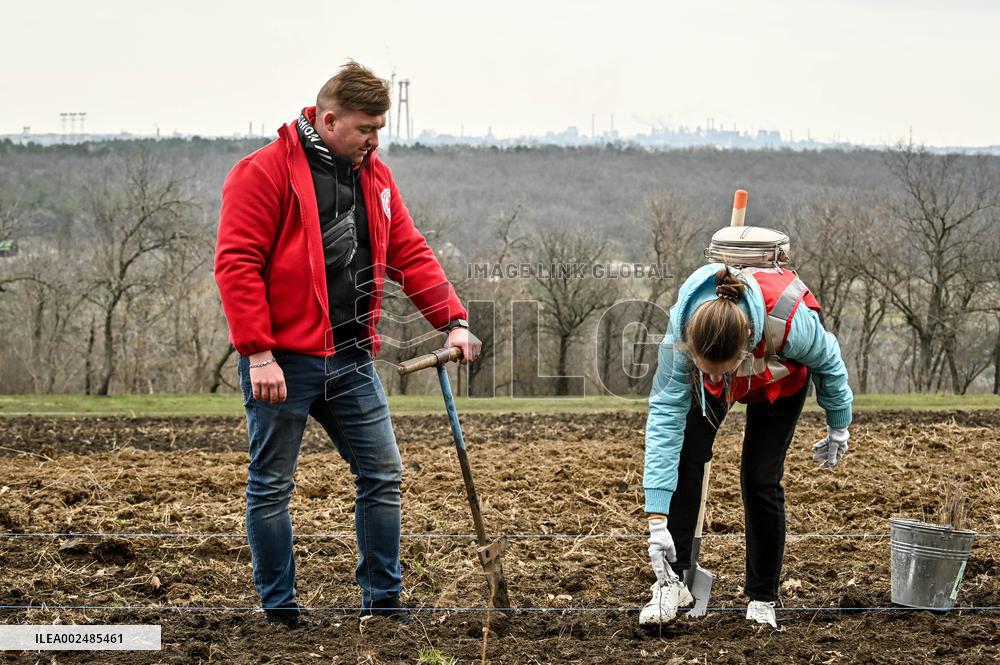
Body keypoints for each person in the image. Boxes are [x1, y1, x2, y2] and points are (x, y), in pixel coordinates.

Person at [214, 61, 481, 628]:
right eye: (366, 129)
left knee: (382, 474)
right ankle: (280, 612)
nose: (375, 140)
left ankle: (384, 604)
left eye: (380, 129)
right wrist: (258, 353)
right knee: (271, 484)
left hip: (352, 358)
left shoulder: (375, 177)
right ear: (330, 120)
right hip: (282, 362)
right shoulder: (262, 173)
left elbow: (408, 251)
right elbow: (237, 266)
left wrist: (453, 320)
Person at [639, 263, 853, 628]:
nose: (715, 376)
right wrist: (656, 519)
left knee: (760, 477)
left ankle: (763, 597)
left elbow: (829, 360)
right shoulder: (682, 333)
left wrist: (839, 424)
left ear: (745, 347)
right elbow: (663, 421)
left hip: (779, 379)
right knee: (687, 456)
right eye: (706, 368)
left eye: (722, 369)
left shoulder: (788, 322)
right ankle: (672, 582)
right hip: (717, 380)